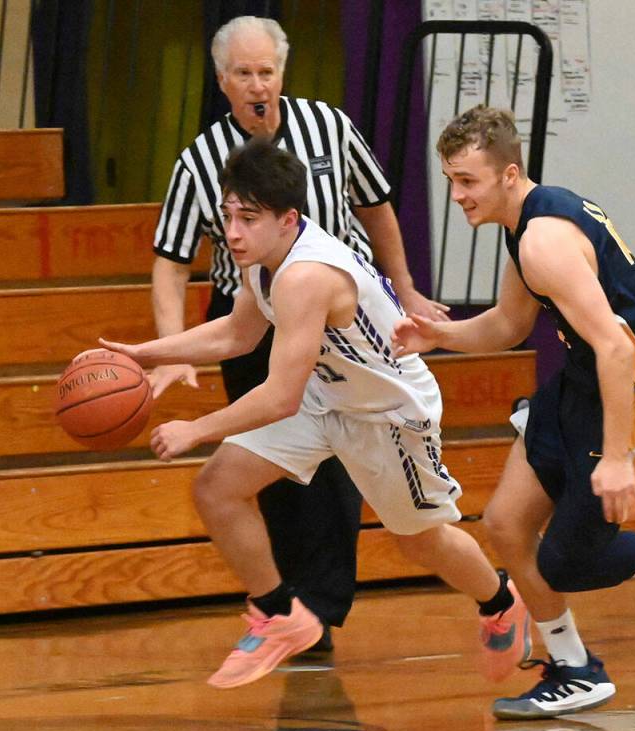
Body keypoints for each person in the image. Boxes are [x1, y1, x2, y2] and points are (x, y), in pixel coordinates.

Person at [100, 139, 529, 689]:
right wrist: (148, 353)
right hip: (326, 397)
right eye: (228, 215)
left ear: (288, 220)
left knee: (420, 540)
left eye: (248, 218)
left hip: (388, 415)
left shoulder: (306, 276)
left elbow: (279, 395)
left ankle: (499, 601)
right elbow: (237, 334)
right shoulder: (263, 258)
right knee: (217, 489)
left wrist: (196, 429)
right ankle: (282, 615)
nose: (232, 232)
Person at [391, 106, 635, 719]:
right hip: (578, 388)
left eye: (467, 180)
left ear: (508, 174)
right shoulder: (527, 220)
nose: (456, 194)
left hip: (629, 393)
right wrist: (438, 337)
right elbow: (510, 324)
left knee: (570, 562)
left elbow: (615, 346)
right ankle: (574, 669)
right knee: (506, 523)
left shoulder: (543, 241)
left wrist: (616, 459)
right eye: (451, 179)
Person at [149, 16, 447, 650]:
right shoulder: (200, 159)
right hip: (253, 320)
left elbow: (377, 207)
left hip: (346, 320)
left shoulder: (329, 126)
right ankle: (291, 611)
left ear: (282, 73)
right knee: (269, 476)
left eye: (267, 71)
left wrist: (408, 289)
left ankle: (322, 608)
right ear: (222, 81)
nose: (257, 84)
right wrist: (168, 347)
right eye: (243, 74)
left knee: (340, 476)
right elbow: (172, 261)